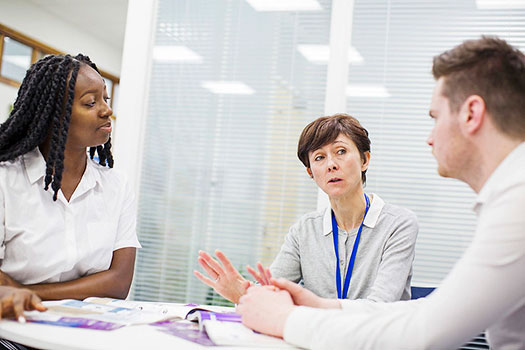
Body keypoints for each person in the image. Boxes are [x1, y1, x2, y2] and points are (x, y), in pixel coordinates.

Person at [236, 36, 525, 350]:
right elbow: (431, 310)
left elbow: (423, 333)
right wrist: (323, 306)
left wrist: (286, 320)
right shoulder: (510, 195)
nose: (430, 138)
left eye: (435, 118)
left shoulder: (517, 202)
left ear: (471, 114)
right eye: (319, 158)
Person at [195, 114, 418, 304]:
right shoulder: (304, 231)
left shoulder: (398, 224)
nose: (331, 164)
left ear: (364, 160)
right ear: (311, 172)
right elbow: (272, 291)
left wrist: (311, 309)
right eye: (319, 158)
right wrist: (245, 293)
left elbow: (379, 307)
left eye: (341, 151)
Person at [0, 54, 141, 301]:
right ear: (54, 115)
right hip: (13, 330)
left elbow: (118, 283)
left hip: (87, 332)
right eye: (90, 103)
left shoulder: (117, 186)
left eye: (105, 99)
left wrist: (24, 291)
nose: (107, 110)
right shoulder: (6, 179)